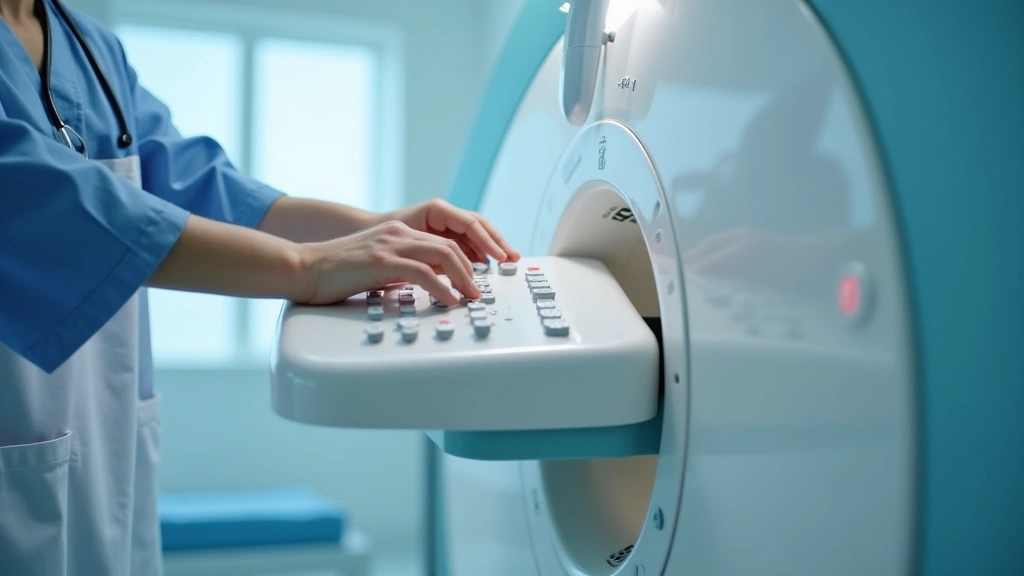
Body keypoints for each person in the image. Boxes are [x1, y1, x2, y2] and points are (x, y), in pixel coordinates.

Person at [0, 0, 520, 573]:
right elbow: (45, 199)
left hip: (98, 437)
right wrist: (308, 268)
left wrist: (382, 228)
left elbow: (199, 189)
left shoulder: (88, 46)